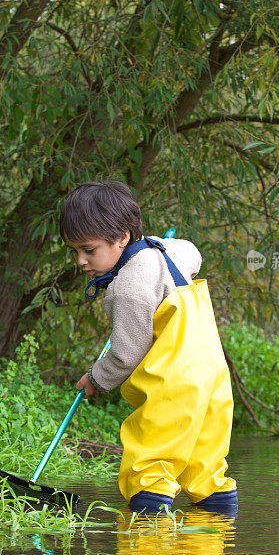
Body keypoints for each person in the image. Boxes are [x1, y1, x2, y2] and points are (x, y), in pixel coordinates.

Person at [59, 180, 237, 515]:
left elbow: (126, 354)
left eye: (89, 250)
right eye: (75, 252)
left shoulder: (127, 288)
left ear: (122, 237)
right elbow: (194, 254)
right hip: (212, 379)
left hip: (173, 386)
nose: (81, 261)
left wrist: (96, 378)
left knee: (149, 472)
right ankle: (214, 547)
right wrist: (162, 246)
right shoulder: (171, 252)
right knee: (206, 468)